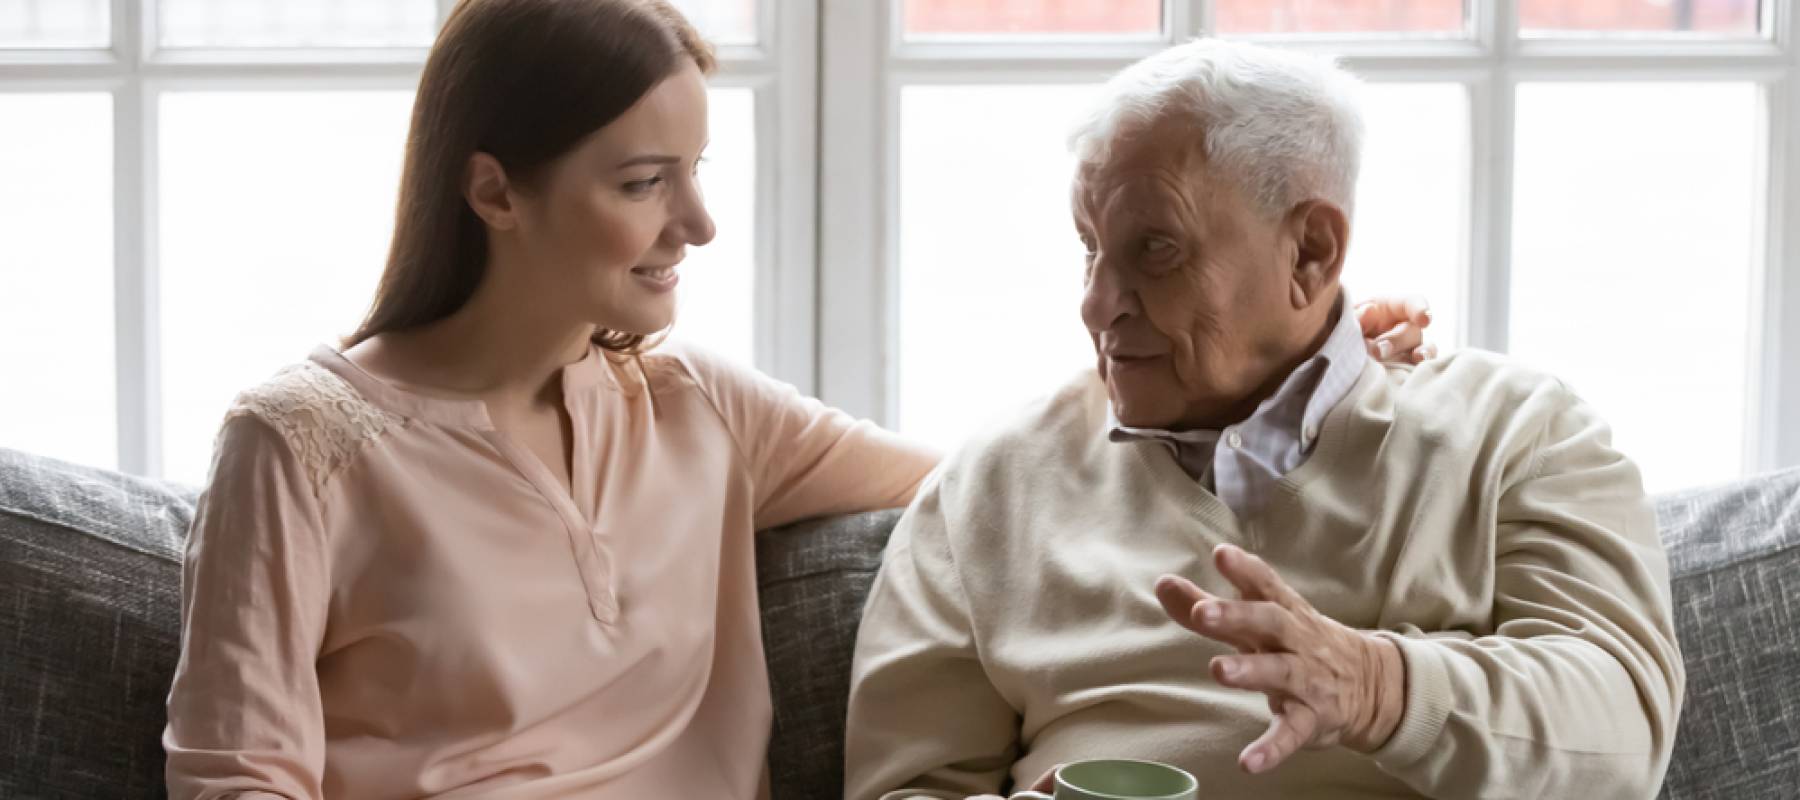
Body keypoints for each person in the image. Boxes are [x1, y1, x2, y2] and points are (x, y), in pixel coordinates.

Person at [161, 2, 1436, 797]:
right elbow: (233, 782)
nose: (699, 224)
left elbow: (1004, 483)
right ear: (494, 191)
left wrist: (1297, 349)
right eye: (646, 181)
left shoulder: (698, 405)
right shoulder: (296, 444)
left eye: (697, 172)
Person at [844, 38, 1683, 800]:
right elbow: (907, 786)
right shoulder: (989, 488)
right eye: (1089, 248)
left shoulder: (1521, 434)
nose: (1096, 304)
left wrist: (1374, 686)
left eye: (1156, 249)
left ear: (1312, 251)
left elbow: (1623, 730)